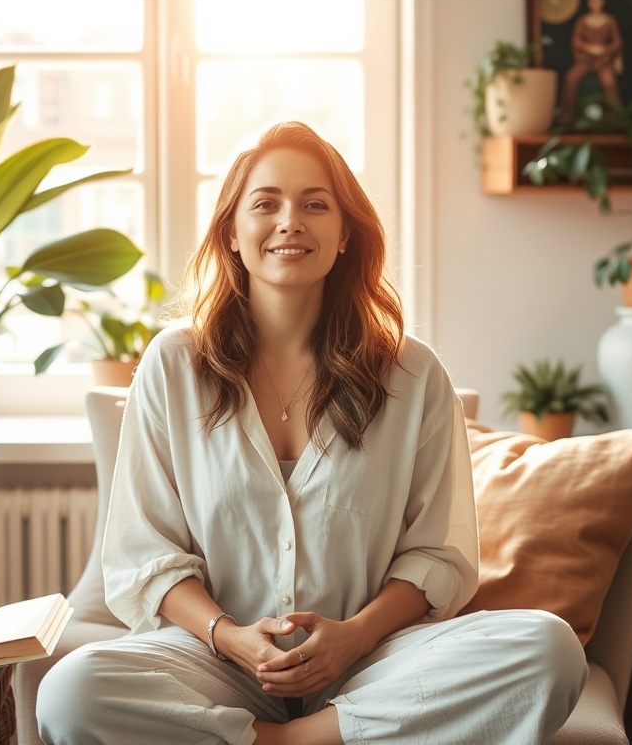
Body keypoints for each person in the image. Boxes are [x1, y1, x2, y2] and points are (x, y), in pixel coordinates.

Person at [37, 121, 587, 744]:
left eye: (315, 205)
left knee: (550, 649)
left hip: (372, 663)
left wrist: (354, 636)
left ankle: (300, 739)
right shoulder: (173, 365)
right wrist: (231, 637)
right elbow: (146, 554)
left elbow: (438, 557)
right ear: (232, 232)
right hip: (219, 664)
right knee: (71, 690)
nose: (290, 222)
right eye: (266, 203)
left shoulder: (413, 374)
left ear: (346, 233)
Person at [559, 0, 624, 124]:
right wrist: (589, 48)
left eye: (598, 0)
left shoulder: (610, 21)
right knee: (570, 78)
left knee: (610, 83)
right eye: (593, 0)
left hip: (604, 60)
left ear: (603, 2)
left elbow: (617, 42)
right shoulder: (582, 21)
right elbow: (576, 41)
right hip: (586, 60)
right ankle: (567, 114)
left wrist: (605, 50)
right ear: (589, 2)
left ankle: (615, 117)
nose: (596, 3)